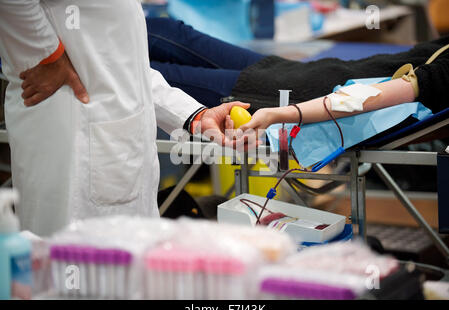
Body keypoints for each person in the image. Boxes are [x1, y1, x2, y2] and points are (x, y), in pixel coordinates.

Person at [0, 1, 244, 236]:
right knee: (67, 261)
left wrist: (194, 116)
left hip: (116, 148)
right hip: (74, 137)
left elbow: (126, 67)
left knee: (124, 263)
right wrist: (45, 57)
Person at [147, 17, 449, 124]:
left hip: (303, 97)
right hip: (309, 76)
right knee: (168, 32)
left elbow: (370, 97)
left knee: (161, 74)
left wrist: (287, 113)